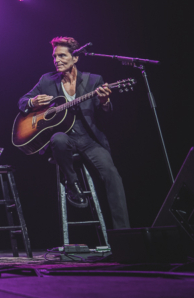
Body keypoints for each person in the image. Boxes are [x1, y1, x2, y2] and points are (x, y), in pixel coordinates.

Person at [18, 36, 130, 229]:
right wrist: (32, 102)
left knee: (112, 176)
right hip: (64, 138)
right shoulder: (46, 80)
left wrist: (105, 103)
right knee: (58, 139)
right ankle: (72, 183)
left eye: (62, 56)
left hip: (89, 139)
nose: (57, 60)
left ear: (75, 58)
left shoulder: (94, 80)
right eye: (54, 56)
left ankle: (124, 233)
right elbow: (22, 101)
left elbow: (105, 120)